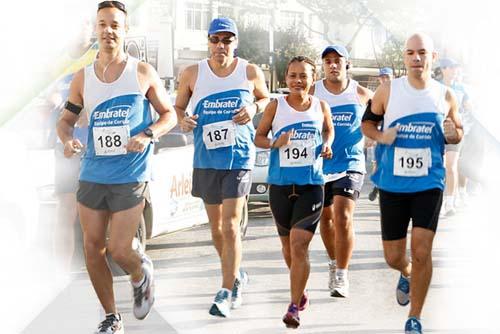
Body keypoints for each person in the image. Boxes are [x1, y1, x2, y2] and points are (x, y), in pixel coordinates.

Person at [56, 1, 177, 333]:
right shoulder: (82, 78)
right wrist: (67, 140)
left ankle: (141, 273)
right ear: (95, 29)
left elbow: (170, 115)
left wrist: (148, 133)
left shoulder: (141, 72)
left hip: (130, 174)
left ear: (125, 30)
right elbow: (65, 121)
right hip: (93, 172)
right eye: (102, 24)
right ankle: (112, 316)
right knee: (92, 248)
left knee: (121, 249)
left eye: (115, 25)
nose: (108, 30)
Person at [361, 33, 463, 334]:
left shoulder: (444, 94)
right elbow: (367, 123)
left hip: (429, 183)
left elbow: (457, 132)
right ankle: (406, 273)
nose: (416, 58)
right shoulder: (388, 90)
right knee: (394, 257)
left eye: (422, 52)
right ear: (404, 58)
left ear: (432, 57)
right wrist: (381, 136)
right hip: (393, 184)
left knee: (421, 251)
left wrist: (453, 132)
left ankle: (414, 317)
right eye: (410, 53)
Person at [174, 17, 270, 318]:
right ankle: (237, 273)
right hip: (206, 159)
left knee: (230, 225)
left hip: (238, 158)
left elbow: (265, 98)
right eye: (215, 40)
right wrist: (182, 119)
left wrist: (254, 107)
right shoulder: (192, 73)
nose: (221, 45)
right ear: (208, 42)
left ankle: (227, 290)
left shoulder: (250, 71)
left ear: (235, 43)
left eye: (227, 40)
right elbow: (177, 108)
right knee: (216, 229)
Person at [254, 56, 333, 328]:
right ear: (285, 78)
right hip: (280, 186)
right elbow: (258, 137)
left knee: (300, 246)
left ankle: (293, 307)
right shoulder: (276, 106)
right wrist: (275, 142)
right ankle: (301, 289)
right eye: (293, 75)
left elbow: (328, 131)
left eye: (304, 76)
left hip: (311, 185)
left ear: (313, 80)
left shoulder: (321, 106)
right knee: (288, 249)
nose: (298, 81)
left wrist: (327, 144)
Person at [310, 44, 373, 298]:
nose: (333, 65)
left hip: (351, 162)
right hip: (319, 163)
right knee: (325, 219)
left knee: (343, 215)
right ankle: (334, 262)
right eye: (328, 61)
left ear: (347, 63)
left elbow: (380, 115)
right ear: (323, 65)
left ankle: (342, 276)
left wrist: (374, 134)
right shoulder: (313, 91)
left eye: (338, 60)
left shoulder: (361, 93)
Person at [439, 58, 472, 215]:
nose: (454, 70)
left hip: (454, 132)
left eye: (455, 68)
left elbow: (469, 108)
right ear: (443, 69)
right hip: (435, 132)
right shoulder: (434, 86)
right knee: (440, 167)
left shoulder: (462, 89)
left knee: (451, 166)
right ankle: (438, 199)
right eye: (451, 68)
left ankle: (450, 203)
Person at [368, 67, 394, 202]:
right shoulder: (375, 95)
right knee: (378, 162)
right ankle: (377, 186)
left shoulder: (398, 94)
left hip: (395, 136)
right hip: (380, 135)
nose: (384, 79)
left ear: (392, 77)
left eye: (387, 77)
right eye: (382, 77)